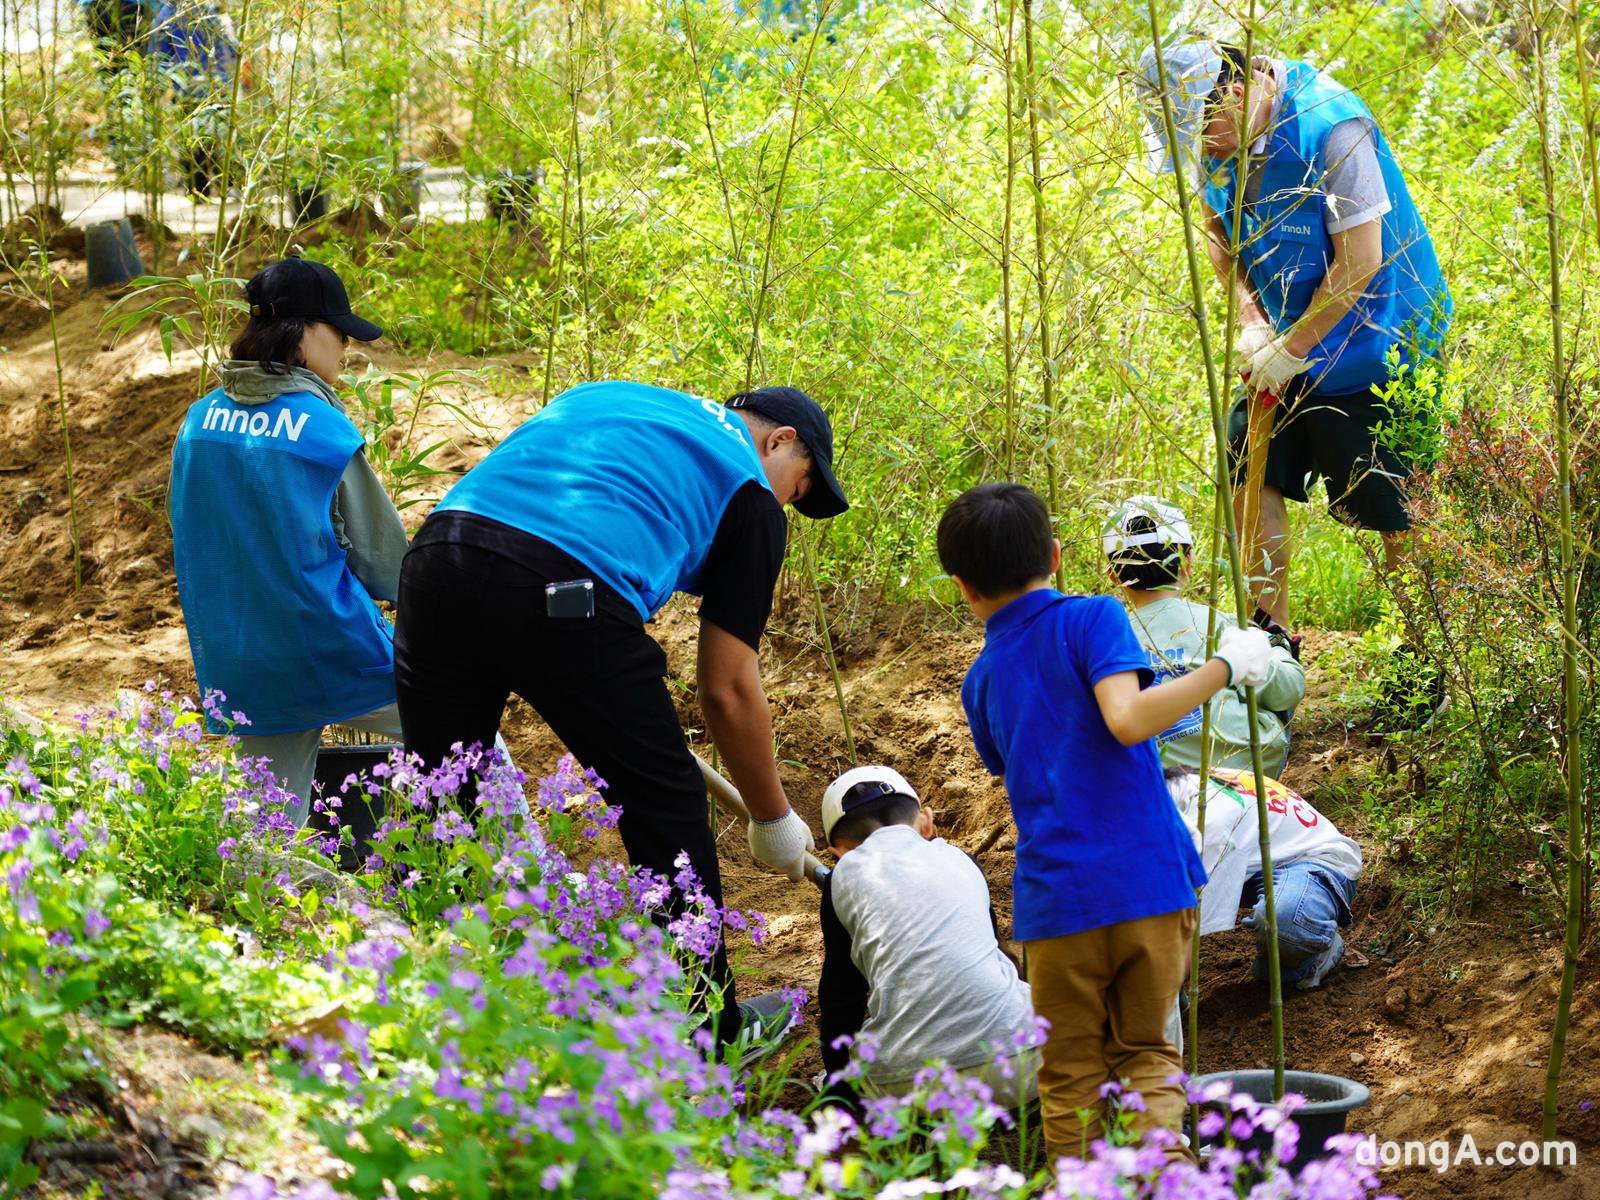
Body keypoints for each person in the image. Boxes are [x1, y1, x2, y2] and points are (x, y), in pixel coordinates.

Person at [392, 380, 849, 1044]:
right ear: (781, 441)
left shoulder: (618, 399)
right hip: (562, 585)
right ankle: (705, 1038)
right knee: (665, 806)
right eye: (799, 487)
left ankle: (434, 1000)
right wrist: (773, 818)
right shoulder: (750, 491)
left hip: (438, 557)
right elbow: (726, 687)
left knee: (444, 788)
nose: (787, 502)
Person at [937, 482, 1275, 1161]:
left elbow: (1019, 765)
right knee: (1147, 1055)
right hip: (1147, 883)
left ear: (963, 586)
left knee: (1069, 1073)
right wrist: (1228, 666)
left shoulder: (981, 678)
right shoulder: (1094, 619)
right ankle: (1169, 1178)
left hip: (1058, 905)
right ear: (1056, 557)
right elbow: (1126, 720)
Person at [1133, 36, 1452, 642]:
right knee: (1248, 468)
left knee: (1390, 507)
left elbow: (1359, 261)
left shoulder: (1333, 130)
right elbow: (1218, 236)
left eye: (1204, 136)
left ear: (1233, 90)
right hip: (1286, 339)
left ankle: (1421, 658)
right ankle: (1271, 645)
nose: (1203, 152)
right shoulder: (1218, 134)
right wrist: (1255, 328)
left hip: (1381, 340)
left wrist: (1293, 348)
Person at [169, 258, 407, 825]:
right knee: (467, 733)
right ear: (300, 336)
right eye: (339, 331)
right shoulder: (322, 430)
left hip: (240, 660)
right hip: (331, 646)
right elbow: (385, 560)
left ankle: (255, 914)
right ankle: (526, 880)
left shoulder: (198, 423)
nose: (347, 345)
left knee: (261, 833)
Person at [815, 765, 1038, 1109]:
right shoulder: (961, 860)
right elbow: (996, 954)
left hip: (909, 1088)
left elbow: (841, 995)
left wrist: (838, 1086)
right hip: (1023, 1065)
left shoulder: (840, 878)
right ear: (927, 822)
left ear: (839, 853)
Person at [1105, 495, 1305, 778]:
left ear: (1114, 574)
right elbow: (1288, 690)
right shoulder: (1216, 624)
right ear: (1188, 561)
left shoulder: (1109, 642)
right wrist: (1275, 646)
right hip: (1244, 773)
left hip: (1155, 782)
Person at [1167, 766, 1362, 991]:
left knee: (1284, 925)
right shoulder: (1181, 786)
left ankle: (1313, 951)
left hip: (1315, 863)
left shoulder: (1208, 819)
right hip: (1258, 859)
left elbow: (1185, 925)